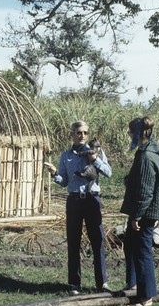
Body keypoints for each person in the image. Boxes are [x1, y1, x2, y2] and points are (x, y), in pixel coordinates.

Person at [45, 120, 112, 296]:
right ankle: (74, 284)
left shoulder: (96, 152)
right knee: (73, 242)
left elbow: (109, 173)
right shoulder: (66, 155)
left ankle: (102, 283)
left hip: (92, 200)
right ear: (72, 134)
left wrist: (95, 160)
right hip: (74, 201)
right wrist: (55, 174)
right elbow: (65, 181)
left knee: (97, 241)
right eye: (79, 132)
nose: (82, 136)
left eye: (85, 133)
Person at [120, 116, 159, 306]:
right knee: (131, 245)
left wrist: (136, 216)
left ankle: (146, 297)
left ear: (137, 133)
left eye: (130, 132)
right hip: (146, 211)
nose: (129, 135)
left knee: (142, 252)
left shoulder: (146, 156)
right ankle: (133, 286)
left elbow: (145, 191)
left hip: (145, 213)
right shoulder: (148, 151)